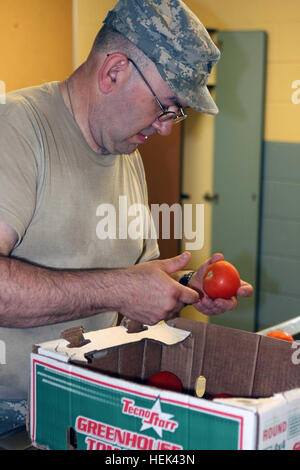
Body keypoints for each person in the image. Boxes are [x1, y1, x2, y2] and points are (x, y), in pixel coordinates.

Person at [0, 0, 253, 425]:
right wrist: (118, 290)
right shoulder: (18, 131)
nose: (167, 126)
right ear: (113, 71)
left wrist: (188, 286)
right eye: (165, 105)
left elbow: (130, 278)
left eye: (178, 113)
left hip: (79, 402)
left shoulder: (124, 151)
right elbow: (116, 286)